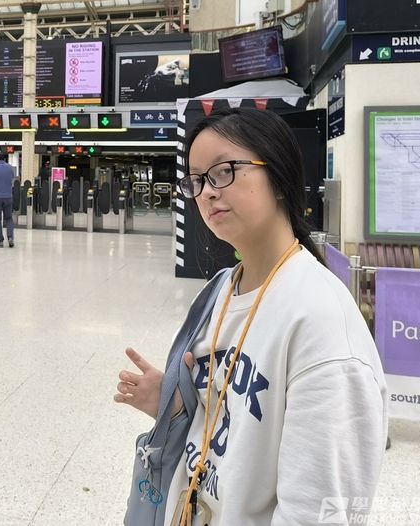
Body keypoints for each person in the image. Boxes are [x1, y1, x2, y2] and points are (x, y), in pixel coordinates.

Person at [115, 108, 387, 526]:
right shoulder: (221, 290)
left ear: (278, 176)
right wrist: (179, 408)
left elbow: (317, 511)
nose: (207, 193)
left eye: (223, 172)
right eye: (196, 180)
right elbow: (232, 424)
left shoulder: (321, 324)